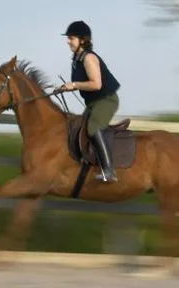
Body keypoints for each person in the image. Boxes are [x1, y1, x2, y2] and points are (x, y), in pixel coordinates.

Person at [58, 20, 121, 183]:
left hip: (107, 100)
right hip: (93, 103)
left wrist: (74, 85)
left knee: (93, 127)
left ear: (82, 40)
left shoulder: (89, 58)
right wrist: (65, 87)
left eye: (71, 38)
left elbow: (96, 84)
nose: (68, 41)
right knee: (79, 127)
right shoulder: (77, 60)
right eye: (69, 38)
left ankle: (109, 170)